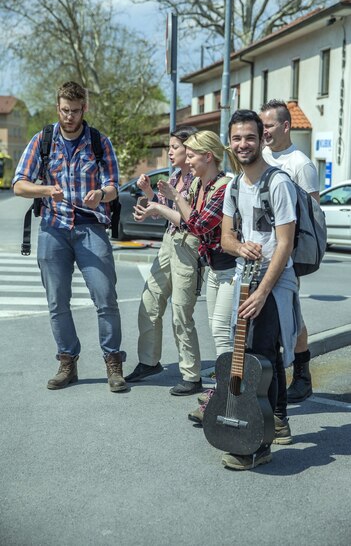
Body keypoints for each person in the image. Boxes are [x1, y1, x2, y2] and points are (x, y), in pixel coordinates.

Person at [13, 81, 127, 392]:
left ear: (84, 109)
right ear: (58, 107)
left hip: (91, 227)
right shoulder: (43, 140)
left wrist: (102, 194)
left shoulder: (98, 142)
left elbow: (114, 186)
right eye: (65, 110)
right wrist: (45, 189)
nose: (70, 116)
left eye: (75, 111)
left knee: (105, 297)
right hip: (53, 229)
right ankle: (67, 361)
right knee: (57, 301)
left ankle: (113, 363)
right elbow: (19, 184)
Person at [220, 109, 302, 470]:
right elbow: (225, 238)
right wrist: (240, 248)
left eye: (249, 137)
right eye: (237, 138)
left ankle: (257, 445)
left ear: (262, 139)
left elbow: (285, 243)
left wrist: (264, 291)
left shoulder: (279, 183)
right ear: (229, 141)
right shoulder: (234, 185)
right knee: (257, 358)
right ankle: (273, 424)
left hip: (272, 282)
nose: (243, 144)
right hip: (245, 279)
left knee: (261, 358)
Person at [146, 130, 240, 404]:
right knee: (217, 329)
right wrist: (165, 203)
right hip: (214, 267)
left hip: (231, 268)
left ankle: (227, 395)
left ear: (207, 156)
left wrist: (177, 196)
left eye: (191, 154)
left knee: (223, 332)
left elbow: (198, 225)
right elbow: (189, 221)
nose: (187, 160)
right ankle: (226, 390)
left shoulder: (225, 187)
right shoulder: (201, 186)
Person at [125, 126, 203, 396]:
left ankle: (192, 375)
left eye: (175, 147)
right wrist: (149, 197)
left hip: (187, 245)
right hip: (169, 243)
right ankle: (149, 362)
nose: (170, 151)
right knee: (150, 300)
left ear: (189, 149)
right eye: (169, 147)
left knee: (181, 312)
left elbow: (191, 222)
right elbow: (164, 213)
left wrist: (158, 206)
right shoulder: (176, 176)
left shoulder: (198, 179)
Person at [260, 99, 319, 403]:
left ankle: (302, 376)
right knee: (284, 316)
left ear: (285, 126)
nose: (264, 131)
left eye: (268, 125)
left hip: (288, 254)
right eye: (262, 126)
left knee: (291, 317)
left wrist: (295, 257)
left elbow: (311, 217)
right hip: (261, 252)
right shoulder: (262, 156)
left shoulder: (301, 164)